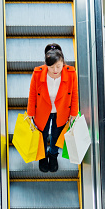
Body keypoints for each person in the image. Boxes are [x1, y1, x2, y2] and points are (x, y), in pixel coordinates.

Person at [27, 43, 79, 172]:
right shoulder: (38, 73)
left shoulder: (71, 73)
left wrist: (73, 112)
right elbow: (32, 93)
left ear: (63, 62)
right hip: (42, 111)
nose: (55, 70)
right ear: (46, 64)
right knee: (42, 135)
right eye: (51, 67)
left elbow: (75, 94)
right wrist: (30, 112)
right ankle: (42, 155)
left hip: (61, 111)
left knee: (56, 136)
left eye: (58, 66)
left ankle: (53, 155)